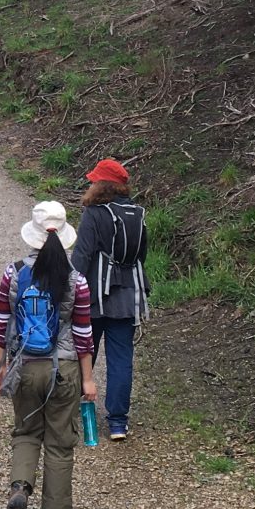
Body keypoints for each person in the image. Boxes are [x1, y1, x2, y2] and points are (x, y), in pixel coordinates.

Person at [0, 200, 97, 509]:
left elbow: (2, 325)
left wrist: (2, 366)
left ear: (32, 235)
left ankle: (19, 489)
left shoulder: (12, 273)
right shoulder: (76, 280)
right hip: (63, 369)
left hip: (24, 365)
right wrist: (88, 379)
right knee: (59, 441)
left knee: (25, 432)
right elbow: (84, 334)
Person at [70, 157, 151, 441]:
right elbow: (141, 255)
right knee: (121, 360)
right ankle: (118, 423)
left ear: (101, 185)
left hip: (93, 297)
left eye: (94, 181)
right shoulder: (138, 213)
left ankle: (76, 412)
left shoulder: (94, 214)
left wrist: (69, 292)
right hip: (128, 296)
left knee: (83, 352)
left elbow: (81, 256)